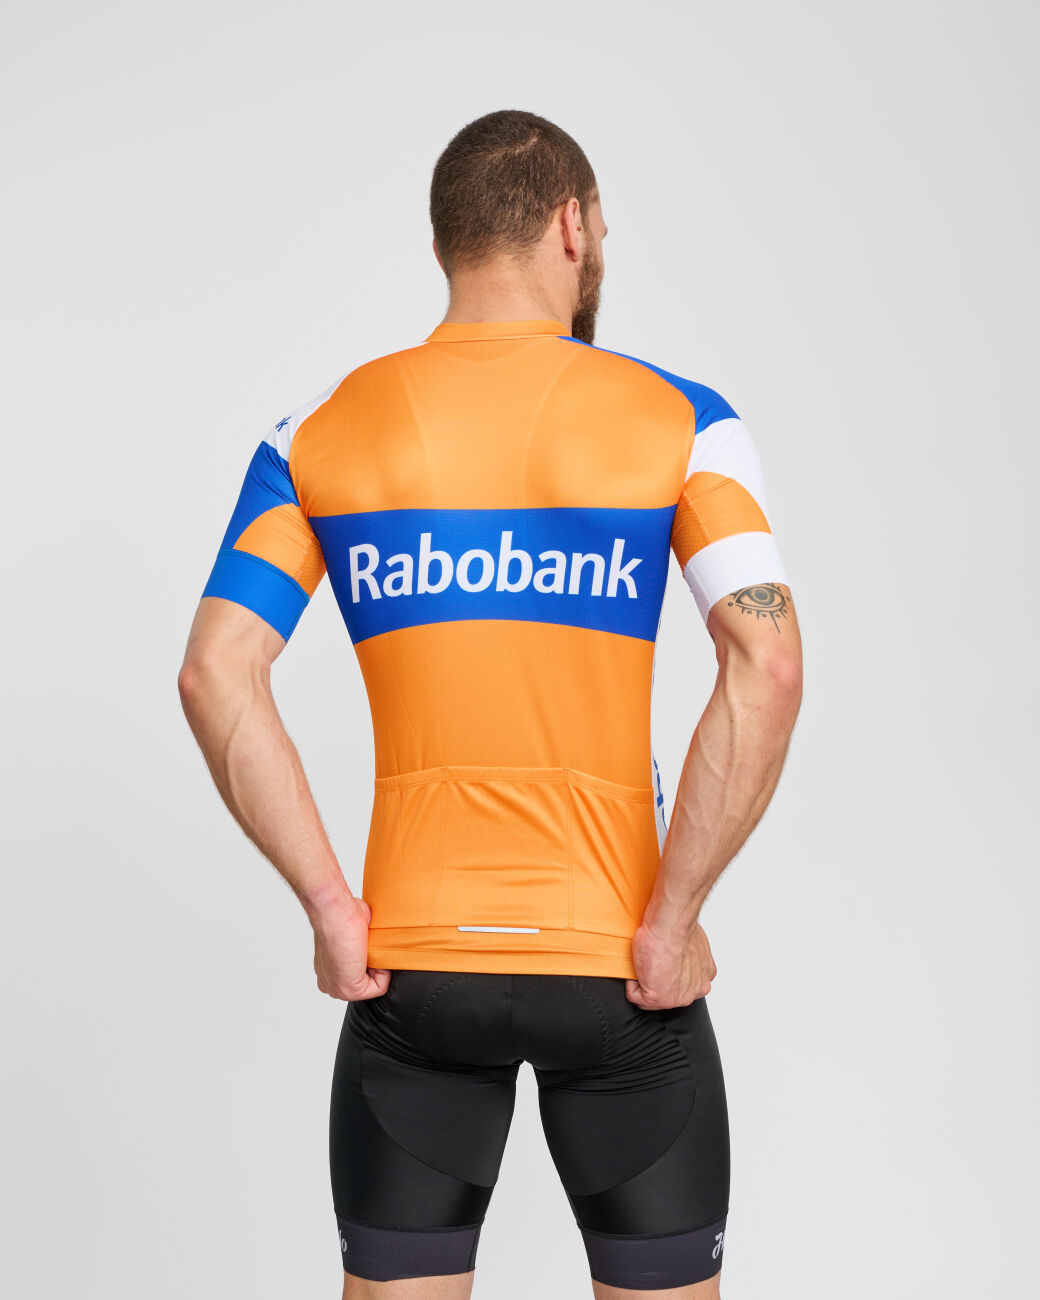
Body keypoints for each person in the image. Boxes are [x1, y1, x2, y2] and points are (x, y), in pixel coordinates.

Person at [178, 109, 802, 1300]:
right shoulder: (684, 422)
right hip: (619, 966)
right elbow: (764, 664)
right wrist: (673, 917)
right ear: (572, 225)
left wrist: (328, 905)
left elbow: (215, 670)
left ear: (443, 247)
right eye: (600, 228)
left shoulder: (319, 433)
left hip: (412, 972)